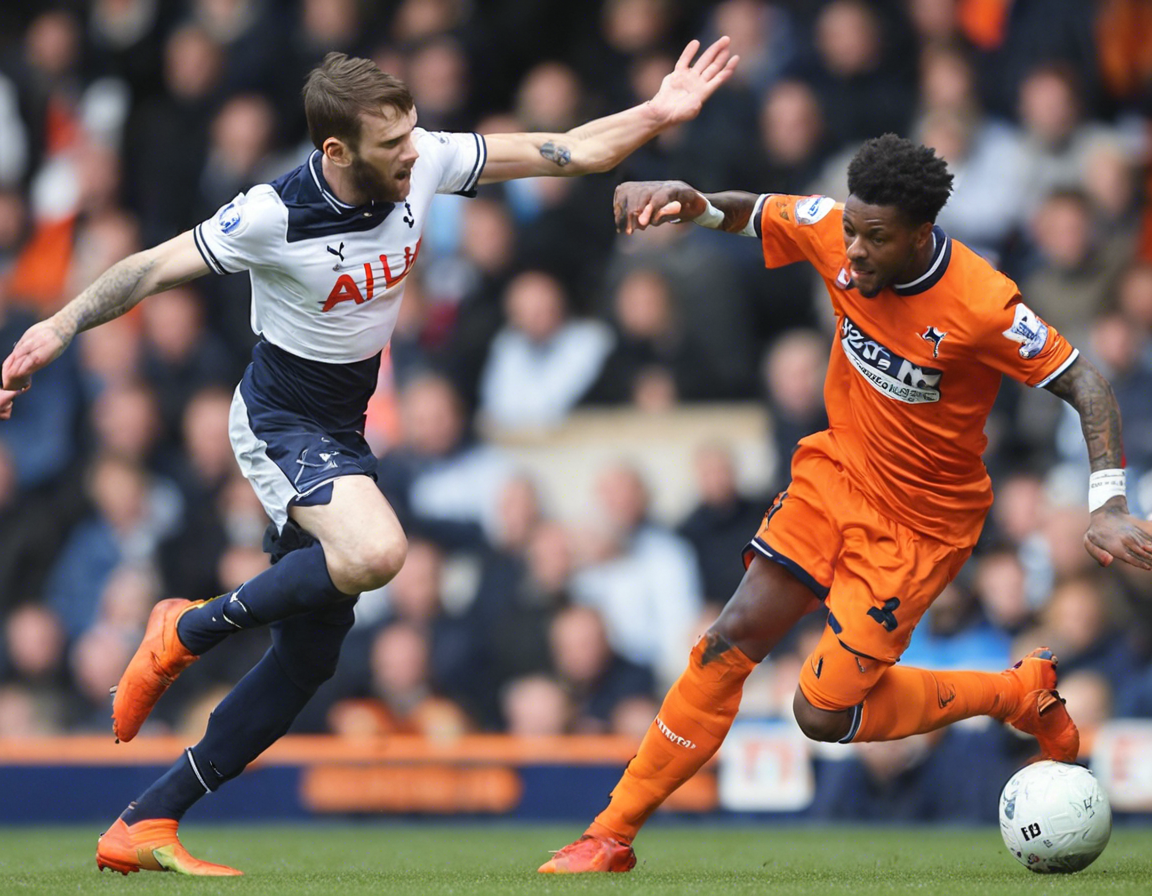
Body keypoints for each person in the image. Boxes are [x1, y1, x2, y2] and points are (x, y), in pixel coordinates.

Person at [0, 41, 739, 877]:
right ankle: (186, 627)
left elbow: (573, 150)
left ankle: (145, 820)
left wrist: (660, 110)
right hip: (277, 420)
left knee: (309, 657)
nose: (416, 152)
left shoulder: (423, 161)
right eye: (395, 144)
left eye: (416, 132)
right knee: (378, 552)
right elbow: (146, 268)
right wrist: (56, 328)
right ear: (336, 152)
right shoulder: (272, 213)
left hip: (341, 431)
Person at [538, 133, 1152, 873]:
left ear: (922, 234)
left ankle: (1016, 693)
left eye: (874, 238)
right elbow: (755, 213)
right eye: (851, 230)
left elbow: (1085, 383)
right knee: (727, 641)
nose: (852, 251)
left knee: (821, 712)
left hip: (919, 527)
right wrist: (691, 204)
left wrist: (1108, 501)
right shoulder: (838, 228)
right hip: (836, 476)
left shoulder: (984, 304)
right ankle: (611, 834)